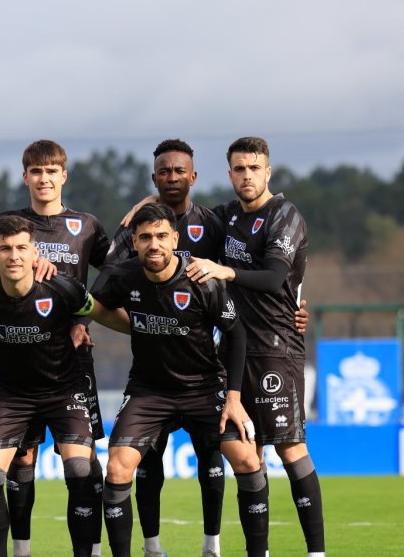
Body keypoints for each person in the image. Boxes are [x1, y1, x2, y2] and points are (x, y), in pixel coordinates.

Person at [91, 203, 268, 557]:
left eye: (160, 236)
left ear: (175, 239)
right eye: (144, 238)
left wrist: (233, 398)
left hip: (205, 388)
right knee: (117, 466)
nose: (153, 245)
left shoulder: (203, 280)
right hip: (148, 391)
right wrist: (83, 329)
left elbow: (236, 336)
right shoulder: (123, 277)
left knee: (248, 460)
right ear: (136, 243)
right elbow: (92, 305)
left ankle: (258, 553)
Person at [185, 136, 325, 557]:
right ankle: (256, 552)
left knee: (289, 447)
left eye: (254, 168)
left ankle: (316, 552)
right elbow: (177, 227)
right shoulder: (226, 217)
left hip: (275, 347)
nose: (247, 176)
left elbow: (271, 278)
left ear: (268, 171)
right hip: (230, 349)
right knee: (245, 453)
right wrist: (141, 207)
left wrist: (223, 271)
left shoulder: (284, 215)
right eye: (239, 169)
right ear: (229, 174)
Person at [0, 215, 116, 557]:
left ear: (35, 253)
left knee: (79, 468)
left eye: (21, 248)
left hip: (64, 390)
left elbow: (101, 312)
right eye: (5, 249)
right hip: (12, 395)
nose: (14, 255)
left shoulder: (64, 288)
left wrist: (135, 328)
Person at [103, 139, 226, 557]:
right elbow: (105, 277)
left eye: (179, 171)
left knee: (221, 457)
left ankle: (215, 544)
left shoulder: (213, 223)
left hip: (204, 371)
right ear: (154, 178)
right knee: (142, 461)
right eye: (163, 172)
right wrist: (135, 324)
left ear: (193, 176)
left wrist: (292, 302)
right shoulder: (136, 229)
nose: (172, 178)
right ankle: (151, 547)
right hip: (152, 380)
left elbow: (241, 269)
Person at [0, 140, 110, 557]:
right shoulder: (9, 226)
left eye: (51, 171)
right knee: (22, 462)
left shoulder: (87, 226)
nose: (44, 179)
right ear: (25, 177)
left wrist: (83, 318)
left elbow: (114, 274)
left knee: (80, 461)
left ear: (64, 176)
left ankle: (90, 550)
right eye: (36, 172)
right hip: (19, 364)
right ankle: (21, 549)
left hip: (71, 362)